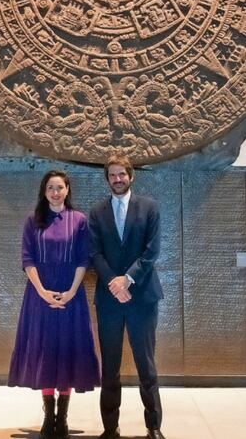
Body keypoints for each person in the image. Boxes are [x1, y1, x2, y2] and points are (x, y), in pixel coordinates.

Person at [8, 170, 100, 439]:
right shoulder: (33, 220)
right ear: (44, 191)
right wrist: (43, 292)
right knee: (46, 350)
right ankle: (49, 416)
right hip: (40, 295)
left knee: (67, 351)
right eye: (50, 188)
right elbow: (28, 259)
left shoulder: (79, 220)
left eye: (59, 187)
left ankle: (64, 417)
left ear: (68, 189)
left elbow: (84, 259)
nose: (55, 192)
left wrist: (71, 291)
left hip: (71, 294)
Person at [88, 155, 165, 439]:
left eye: (122, 174)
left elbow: (152, 250)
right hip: (109, 300)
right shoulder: (96, 212)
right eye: (112, 176)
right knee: (110, 367)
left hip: (142, 297)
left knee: (146, 365)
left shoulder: (150, 207)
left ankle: (153, 426)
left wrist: (127, 279)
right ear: (107, 179)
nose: (117, 179)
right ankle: (110, 427)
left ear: (131, 176)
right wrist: (113, 282)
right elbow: (94, 253)